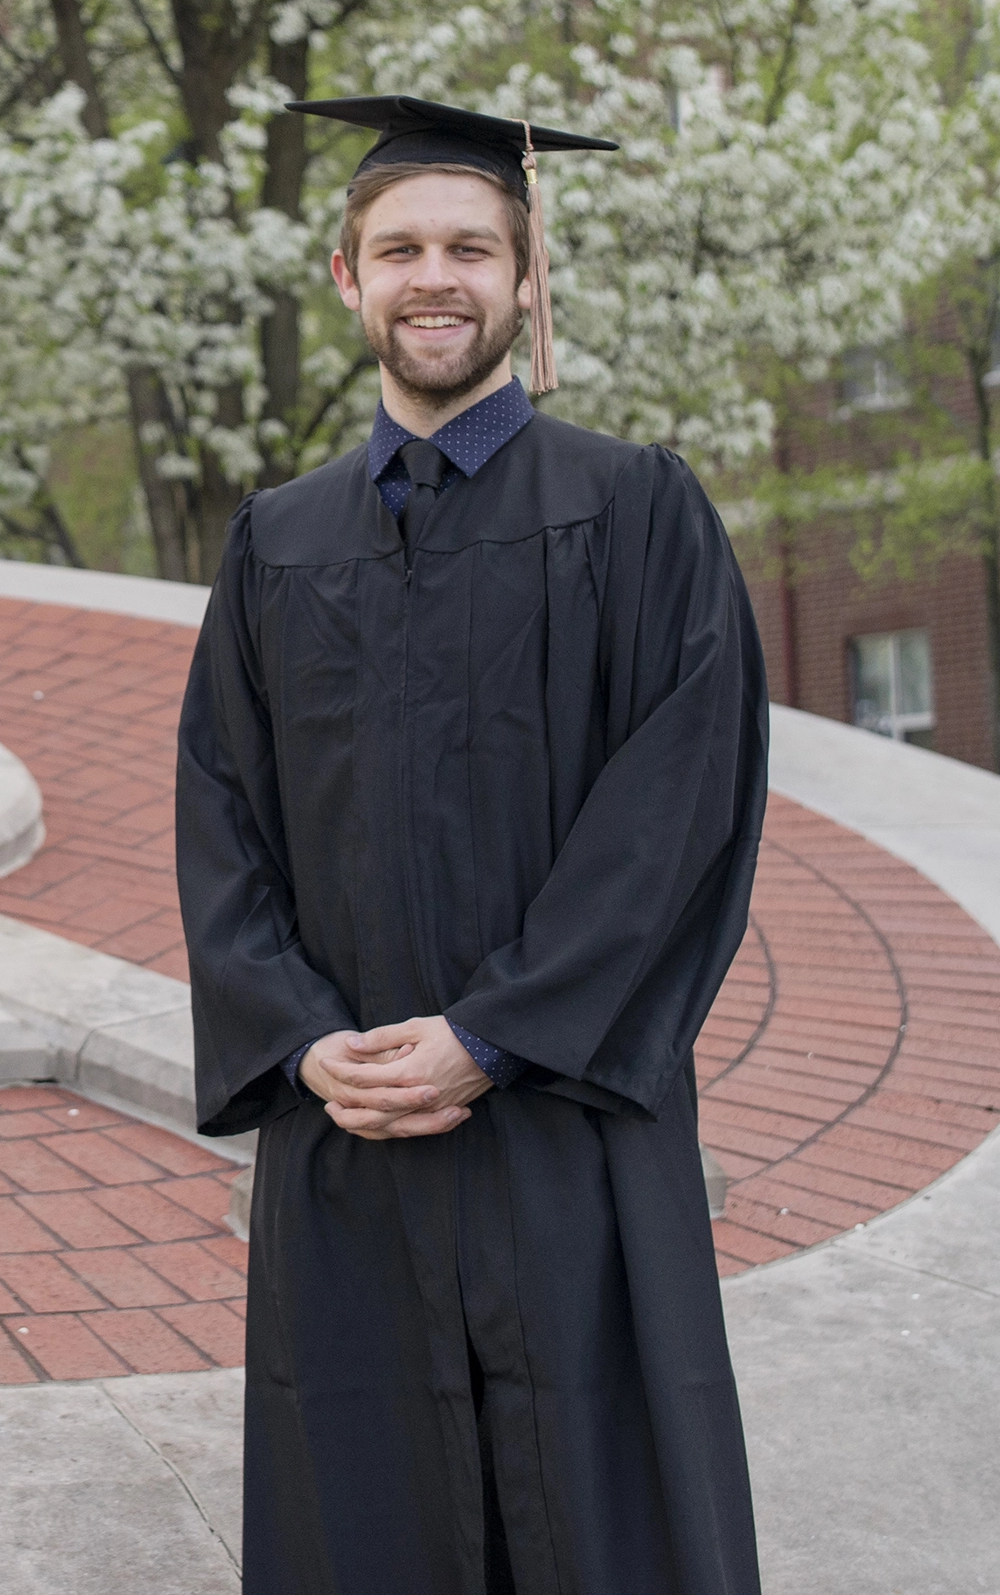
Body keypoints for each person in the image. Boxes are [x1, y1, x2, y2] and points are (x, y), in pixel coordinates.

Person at [178, 96, 769, 1594]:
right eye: (399, 250)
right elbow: (221, 814)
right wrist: (307, 1044)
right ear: (345, 280)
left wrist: (498, 1034)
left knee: (597, 1514)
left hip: (564, 1129)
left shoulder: (636, 512)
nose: (433, 277)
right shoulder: (277, 544)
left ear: (526, 272)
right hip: (356, 1132)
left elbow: (679, 809)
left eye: (467, 247)